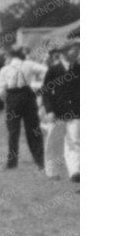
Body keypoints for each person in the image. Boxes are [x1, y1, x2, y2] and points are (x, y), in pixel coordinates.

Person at [0, 46, 46, 169]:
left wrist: (7, 100)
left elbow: (1, 90)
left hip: (12, 98)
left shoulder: (4, 69)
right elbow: (45, 70)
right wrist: (40, 86)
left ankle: (12, 162)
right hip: (28, 96)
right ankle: (40, 160)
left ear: (10, 56)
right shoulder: (29, 64)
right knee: (33, 130)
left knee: (13, 132)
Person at [39, 43, 79, 182]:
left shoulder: (79, 69)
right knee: (53, 143)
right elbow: (46, 92)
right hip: (57, 113)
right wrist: (49, 110)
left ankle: (75, 171)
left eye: (78, 50)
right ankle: (52, 171)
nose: (77, 52)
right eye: (74, 49)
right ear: (64, 52)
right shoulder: (53, 70)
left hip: (75, 111)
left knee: (74, 141)